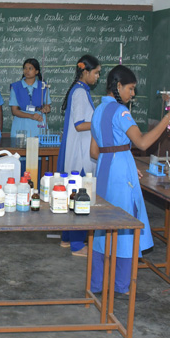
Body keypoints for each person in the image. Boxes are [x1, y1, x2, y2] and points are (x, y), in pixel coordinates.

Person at [89, 65, 170, 299]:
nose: (132, 94)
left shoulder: (98, 110)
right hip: (120, 175)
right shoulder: (121, 112)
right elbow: (142, 143)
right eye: (130, 89)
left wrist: (123, 162)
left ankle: (97, 282)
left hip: (104, 171)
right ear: (118, 86)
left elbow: (94, 151)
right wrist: (167, 119)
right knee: (125, 225)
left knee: (101, 226)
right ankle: (121, 285)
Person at [57, 55, 101, 257]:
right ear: (85, 72)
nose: (98, 77)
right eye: (96, 73)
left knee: (72, 195)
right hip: (81, 155)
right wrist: (101, 122)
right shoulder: (80, 93)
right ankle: (77, 245)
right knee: (81, 198)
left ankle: (67, 238)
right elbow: (80, 124)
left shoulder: (80, 90)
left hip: (78, 152)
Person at [9, 58, 51, 138]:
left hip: (38, 122)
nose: (27, 71)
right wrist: (31, 116)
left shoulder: (43, 86)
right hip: (21, 124)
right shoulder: (15, 87)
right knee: (20, 145)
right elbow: (14, 111)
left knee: (40, 144)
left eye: (30, 68)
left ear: (37, 71)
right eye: (25, 68)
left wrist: (46, 108)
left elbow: (48, 106)